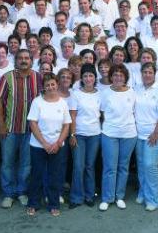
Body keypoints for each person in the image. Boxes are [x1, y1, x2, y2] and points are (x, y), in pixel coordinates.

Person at [0, 49, 43, 209]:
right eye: (20, 58)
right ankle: (8, 194)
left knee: (26, 164)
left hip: (31, 130)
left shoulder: (38, 78)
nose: (23, 60)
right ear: (15, 60)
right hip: (10, 129)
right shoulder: (7, 77)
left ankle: (22, 191)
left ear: (31, 61)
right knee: (7, 163)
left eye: (26, 58)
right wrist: (1, 125)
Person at [25, 73, 72, 217]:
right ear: (43, 87)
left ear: (57, 84)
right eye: (47, 85)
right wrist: (44, 143)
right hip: (38, 146)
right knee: (36, 175)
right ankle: (33, 203)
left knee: (55, 176)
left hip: (57, 146)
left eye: (53, 84)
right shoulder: (37, 102)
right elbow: (33, 123)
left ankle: (54, 204)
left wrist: (58, 143)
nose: (51, 87)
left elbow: (66, 125)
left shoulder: (62, 103)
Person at [99, 64, 136, 212]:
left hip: (129, 134)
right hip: (110, 134)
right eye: (115, 75)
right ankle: (107, 198)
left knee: (123, 167)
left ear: (125, 77)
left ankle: (119, 196)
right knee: (110, 167)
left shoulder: (132, 92)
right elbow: (102, 113)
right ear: (111, 77)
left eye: (121, 75)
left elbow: (135, 112)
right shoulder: (105, 93)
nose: (118, 77)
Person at [134, 62, 158, 211]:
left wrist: (155, 133)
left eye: (150, 72)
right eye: (145, 72)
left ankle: (154, 199)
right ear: (141, 74)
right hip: (138, 135)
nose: (147, 75)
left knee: (150, 165)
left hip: (155, 135)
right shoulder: (137, 89)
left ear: (155, 74)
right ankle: (143, 192)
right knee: (142, 166)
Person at [68, 64, 101, 209]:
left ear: (95, 78)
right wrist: (72, 134)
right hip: (79, 135)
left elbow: (102, 115)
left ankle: (89, 195)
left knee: (89, 166)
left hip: (95, 134)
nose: (88, 78)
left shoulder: (100, 94)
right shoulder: (76, 94)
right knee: (78, 166)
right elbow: (72, 116)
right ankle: (76, 197)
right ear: (81, 78)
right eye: (85, 76)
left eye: (91, 76)